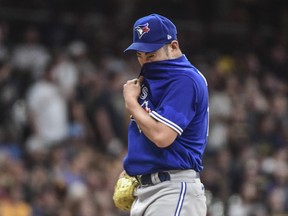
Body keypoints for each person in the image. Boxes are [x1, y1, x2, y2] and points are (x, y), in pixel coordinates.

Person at [121, 13, 209, 216]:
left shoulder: (184, 79)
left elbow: (162, 136)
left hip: (173, 190)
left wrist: (131, 103)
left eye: (150, 55)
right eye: (139, 55)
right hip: (150, 190)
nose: (145, 62)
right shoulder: (154, 77)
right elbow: (145, 133)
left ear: (174, 46)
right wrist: (134, 166)